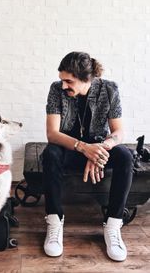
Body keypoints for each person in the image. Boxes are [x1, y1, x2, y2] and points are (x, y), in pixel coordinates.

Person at [42, 51, 133, 261]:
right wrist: (84, 148)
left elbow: (118, 132)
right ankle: (54, 222)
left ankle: (113, 224)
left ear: (86, 79)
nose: (64, 85)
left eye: (69, 81)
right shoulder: (56, 90)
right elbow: (52, 134)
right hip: (70, 149)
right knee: (50, 154)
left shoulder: (109, 89)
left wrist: (100, 148)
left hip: (99, 145)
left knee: (125, 156)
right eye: (62, 80)